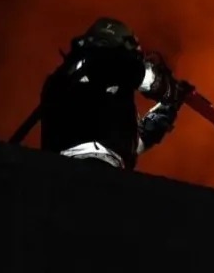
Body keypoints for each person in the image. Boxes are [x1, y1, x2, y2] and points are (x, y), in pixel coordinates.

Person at [39, 17, 190, 170]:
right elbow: (133, 71)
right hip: (78, 169)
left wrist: (167, 109)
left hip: (99, 171)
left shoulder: (98, 88)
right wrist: (169, 89)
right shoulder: (89, 66)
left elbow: (133, 143)